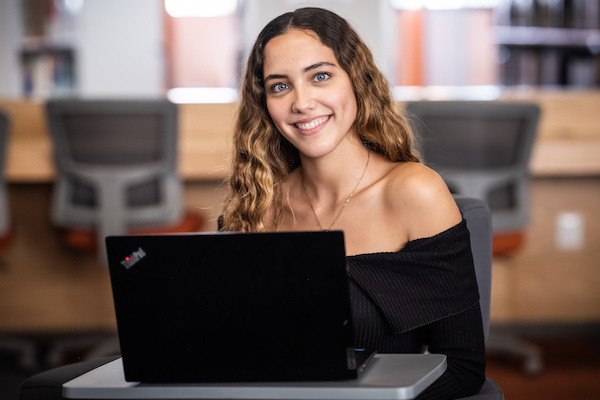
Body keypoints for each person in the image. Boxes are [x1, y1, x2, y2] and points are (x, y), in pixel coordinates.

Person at [219, 7, 485, 399]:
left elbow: (463, 369)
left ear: (355, 81)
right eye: (280, 86)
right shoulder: (254, 208)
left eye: (320, 76)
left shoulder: (414, 192)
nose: (302, 102)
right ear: (265, 104)